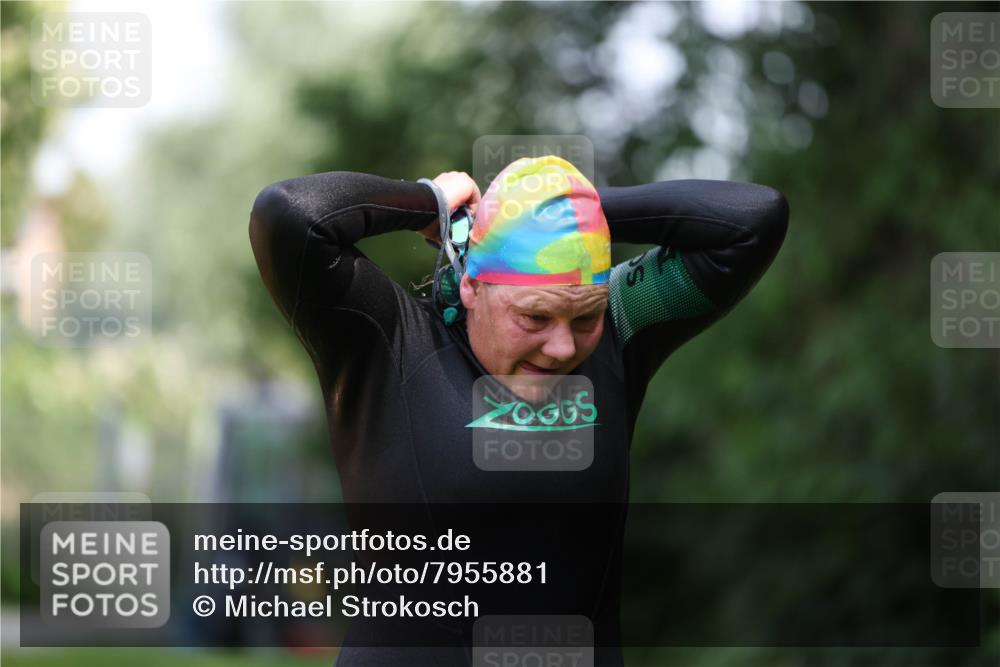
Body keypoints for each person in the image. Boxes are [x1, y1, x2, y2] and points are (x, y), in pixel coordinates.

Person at [248, 155, 789, 666]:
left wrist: (563, 205)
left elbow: (751, 221)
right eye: (534, 318)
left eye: (584, 319)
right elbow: (292, 214)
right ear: (472, 287)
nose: (562, 347)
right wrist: (431, 201)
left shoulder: (619, 335)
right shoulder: (390, 343)